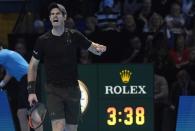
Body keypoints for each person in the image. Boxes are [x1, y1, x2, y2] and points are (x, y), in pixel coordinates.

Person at [27, 2, 107, 131]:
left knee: (71, 129)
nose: (55, 16)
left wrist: (100, 48)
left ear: (64, 17)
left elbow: (93, 48)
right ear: (50, 18)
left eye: (58, 13)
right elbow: (32, 66)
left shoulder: (74, 35)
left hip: (73, 90)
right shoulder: (42, 40)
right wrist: (31, 91)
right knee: (58, 126)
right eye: (52, 14)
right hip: (53, 90)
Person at [0, 42, 42, 131]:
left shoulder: (2, 54)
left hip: (28, 79)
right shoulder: (8, 55)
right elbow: (9, 74)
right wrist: (1, 85)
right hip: (26, 80)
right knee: (21, 113)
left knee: (33, 113)